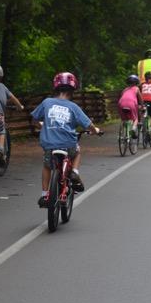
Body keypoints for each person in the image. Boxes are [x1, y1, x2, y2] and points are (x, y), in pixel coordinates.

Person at [31, 72, 101, 207]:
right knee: (77, 151)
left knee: (47, 166)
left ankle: (45, 195)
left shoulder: (46, 103)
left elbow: (35, 119)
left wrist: (41, 124)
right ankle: (74, 172)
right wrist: (95, 131)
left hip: (50, 145)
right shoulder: (73, 107)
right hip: (68, 144)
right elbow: (88, 125)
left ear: (55, 88)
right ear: (73, 90)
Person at [117, 74, 143, 138]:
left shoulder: (124, 89)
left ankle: (124, 132)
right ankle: (133, 129)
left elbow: (121, 97)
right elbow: (140, 99)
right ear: (137, 83)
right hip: (131, 104)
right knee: (135, 119)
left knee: (124, 119)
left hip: (121, 103)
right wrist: (142, 105)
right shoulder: (136, 88)